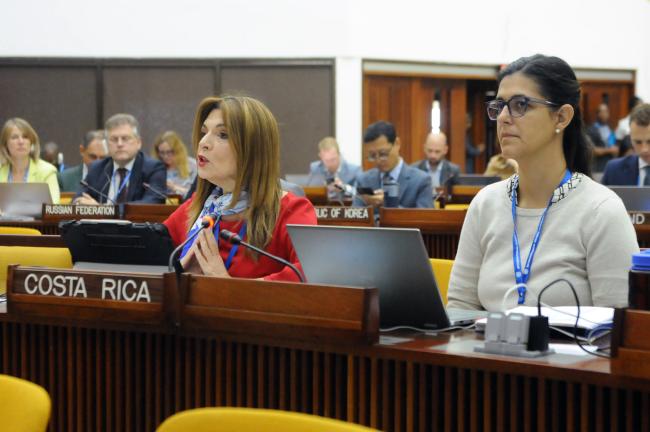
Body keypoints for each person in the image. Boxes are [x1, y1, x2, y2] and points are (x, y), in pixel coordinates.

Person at [448, 54, 638, 312]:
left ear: (561, 117)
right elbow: (460, 309)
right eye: (500, 105)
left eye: (520, 105)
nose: (503, 117)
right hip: (487, 349)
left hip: (576, 352)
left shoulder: (601, 210)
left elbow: (620, 327)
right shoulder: (486, 204)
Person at [164, 95, 317, 281]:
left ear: (253, 149)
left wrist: (229, 287)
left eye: (222, 135)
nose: (203, 142)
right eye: (204, 132)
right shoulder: (196, 208)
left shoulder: (291, 210)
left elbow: (310, 275)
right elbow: (150, 258)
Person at [74, 113, 166, 204]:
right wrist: (79, 203)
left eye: (125, 138)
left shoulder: (154, 168)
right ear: (106, 144)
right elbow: (78, 199)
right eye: (114, 139)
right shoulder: (96, 168)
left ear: (138, 143)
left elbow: (153, 202)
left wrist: (103, 209)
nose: (119, 144)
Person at [353, 121, 433, 209]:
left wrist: (388, 204)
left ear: (397, 143)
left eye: (383, 153)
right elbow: (356, 218)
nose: (378, 160)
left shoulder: (421, 181)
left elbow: (425, 219)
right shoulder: (363, 180)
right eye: (372, 156)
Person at [0, 118, 60, 203]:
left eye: (25, 137)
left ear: (31, 142)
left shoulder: (47, 171)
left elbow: (54, 207)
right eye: (14, 137)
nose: (21, 142)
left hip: (38, 217)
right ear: (5, 144)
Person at [601, 103, 650, 186]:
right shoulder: (613, 170)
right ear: (630, 137)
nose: (644, 149)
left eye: (649, 141)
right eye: (638, 142)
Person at [151, 130, 197, 196]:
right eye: (162, 152)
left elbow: (196, 195)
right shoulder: (156, 167)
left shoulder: (193, 166)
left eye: (169, 152)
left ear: (178, 150)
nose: (165, 156)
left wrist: (174, 187)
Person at [587, 103, 618, 172]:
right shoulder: (592, 130)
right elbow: (592, 150)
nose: (604, 114)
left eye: (606, 111)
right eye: (602, 111)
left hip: (611, 166)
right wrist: (609, 150)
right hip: (598, 168)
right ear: (598, 114)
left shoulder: (610, 129)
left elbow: (613, 145)